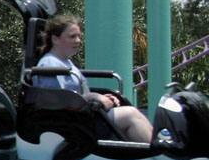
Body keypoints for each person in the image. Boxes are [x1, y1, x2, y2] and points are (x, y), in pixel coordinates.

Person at [34, 15, 153, 143]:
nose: (78, 40)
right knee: (131, 115)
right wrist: (93, 97)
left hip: (83, 117)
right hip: (72, 125)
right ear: (55, 39)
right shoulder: (49, 65)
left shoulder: (66, 63)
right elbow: (57, 103)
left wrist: (103, 99)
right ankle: (157, 157)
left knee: (137, 114)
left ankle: (157, 151)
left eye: (79, 36)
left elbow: (78, 96)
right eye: (72, 36)